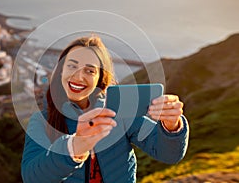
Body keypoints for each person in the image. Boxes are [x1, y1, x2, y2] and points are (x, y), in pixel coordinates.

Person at [21, 35, 189, 183]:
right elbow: (32, 177)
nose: (79, 76)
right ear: (60, 71)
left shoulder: (119, 113)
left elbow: (169, 155)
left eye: (90, 70)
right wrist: (76, 145)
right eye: (72, 66)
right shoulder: (41, 121)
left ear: (99, 79)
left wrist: (172, 126)